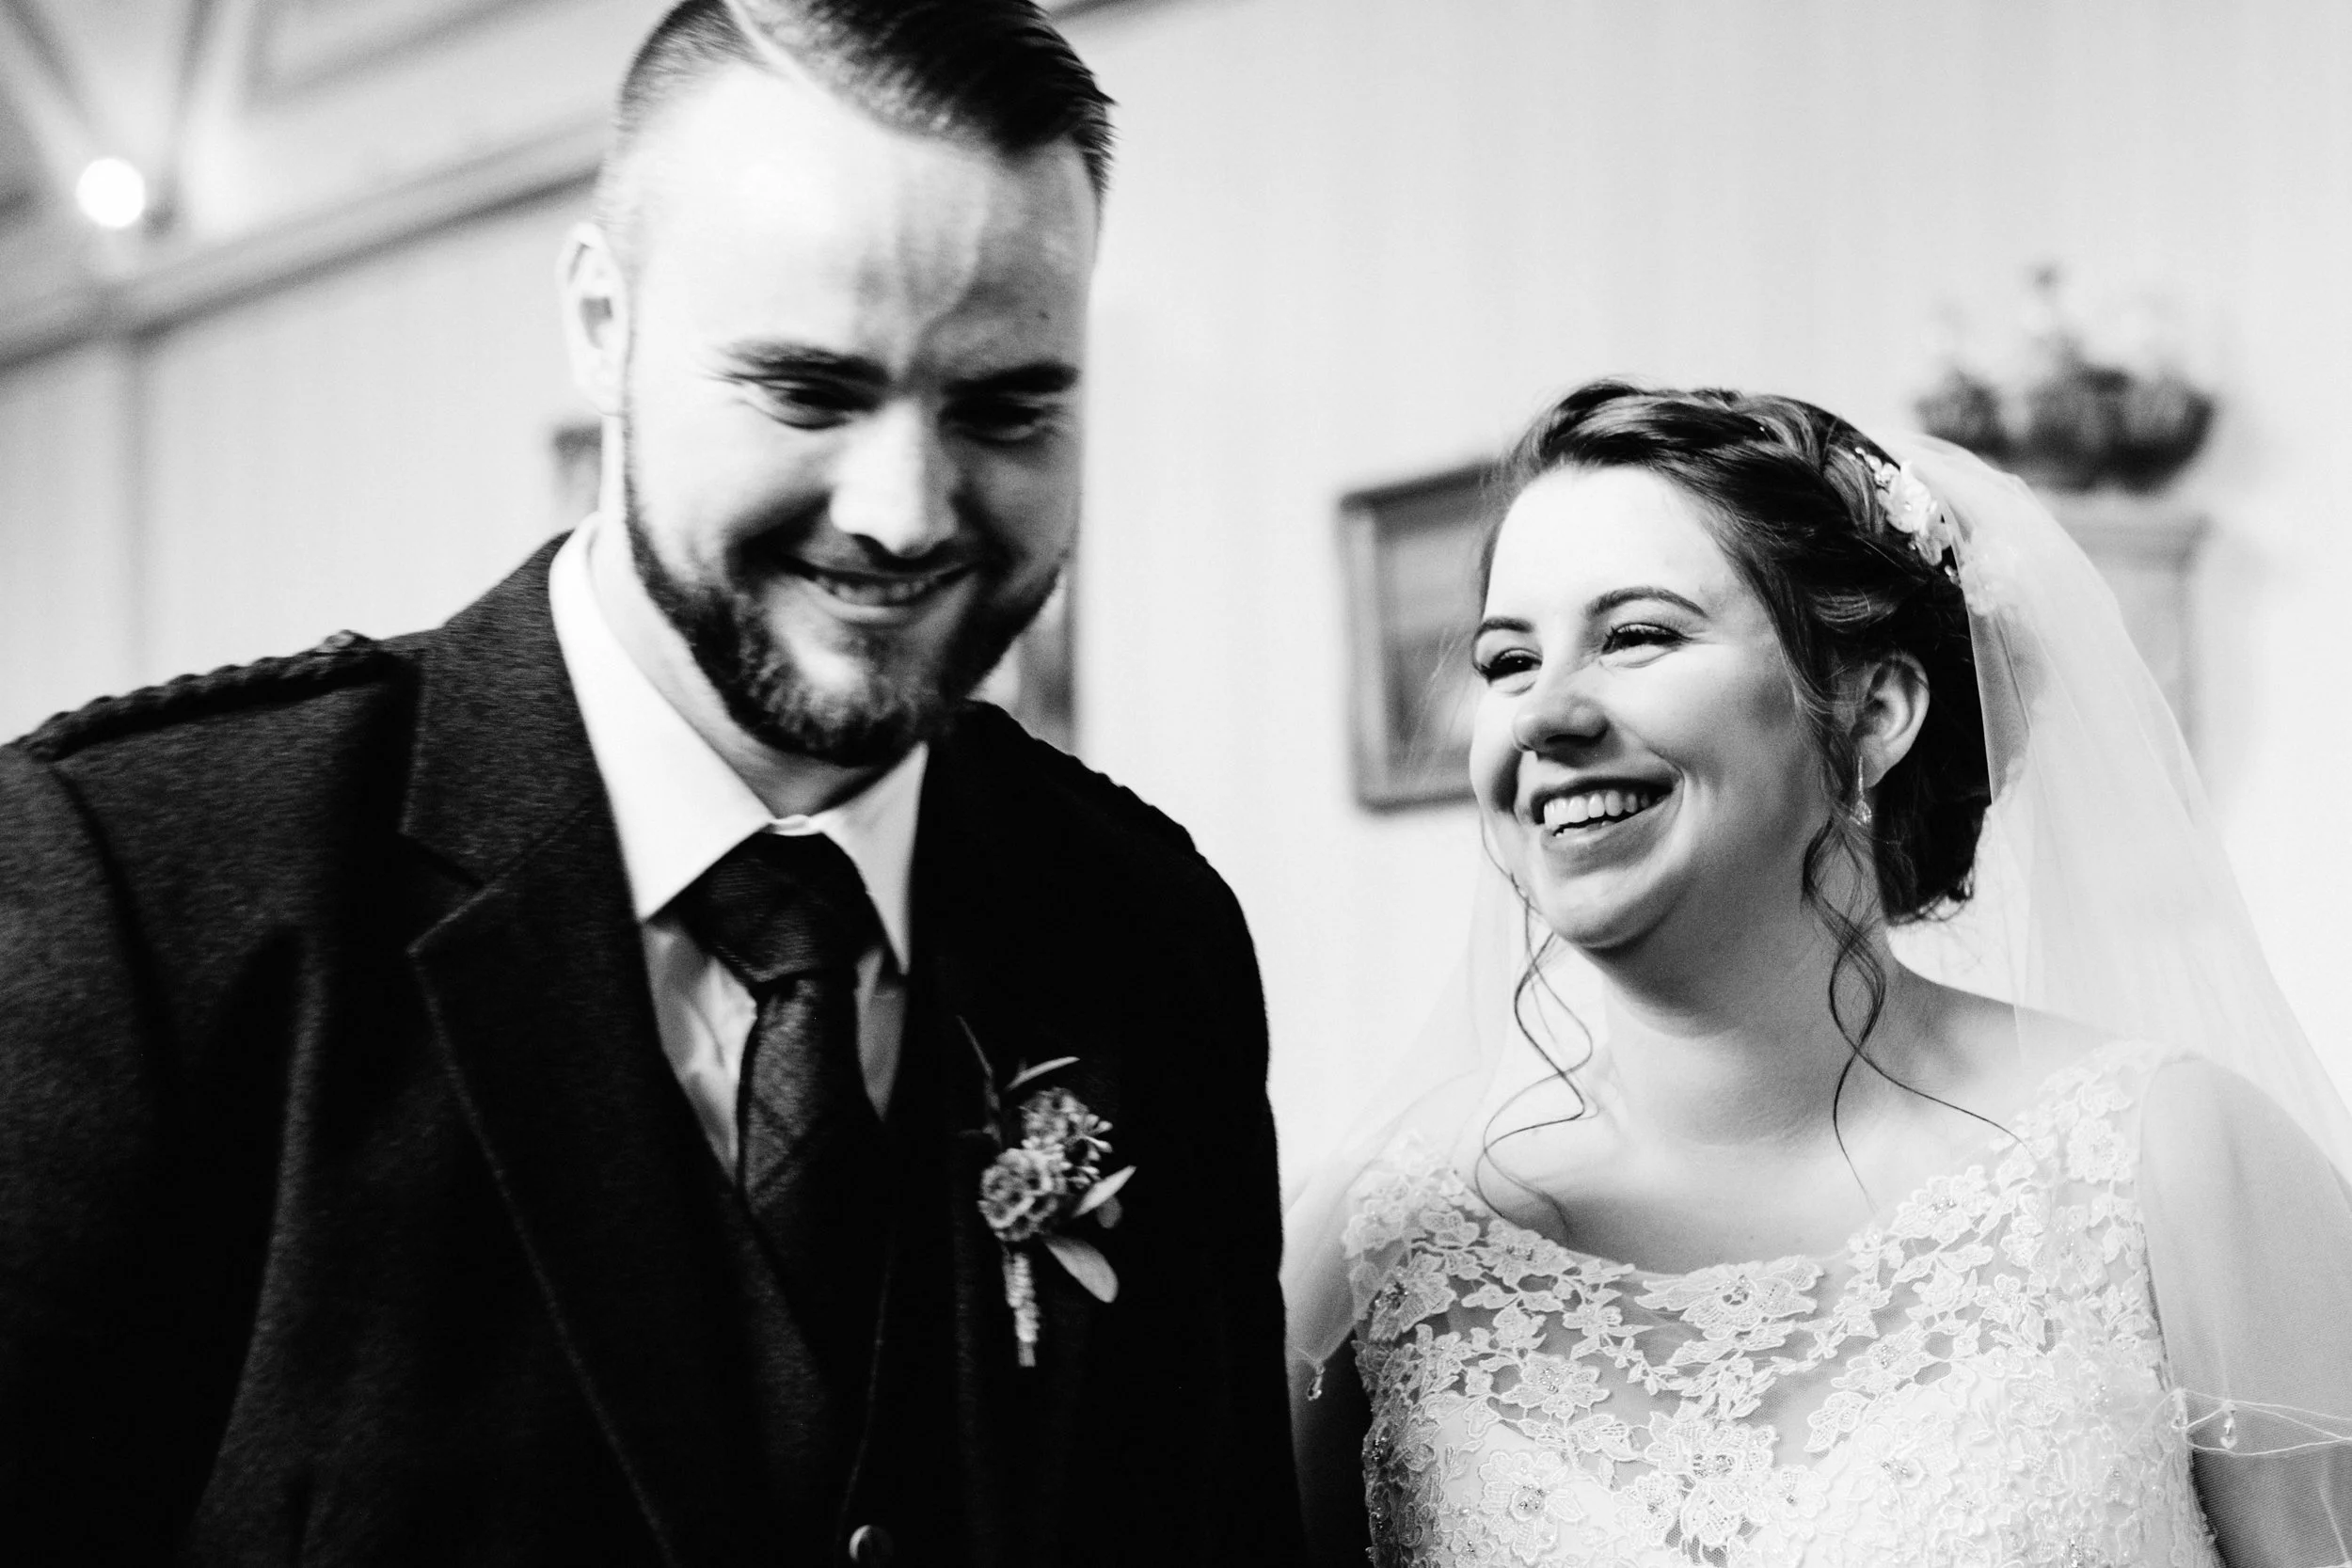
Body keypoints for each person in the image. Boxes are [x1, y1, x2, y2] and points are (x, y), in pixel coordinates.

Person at [0, 2, 1301, 1563]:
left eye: (1006, 407)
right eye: (810, 391)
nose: (901, 513)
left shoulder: (1148, 935)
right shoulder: (136, 888)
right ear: (602, 321)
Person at [1285, 380, 2352, 1566]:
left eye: (1636, 634)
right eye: (1505, 659)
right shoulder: (1380, 1248)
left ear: (1875, 706)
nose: (1546, 716)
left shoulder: (2170, 1159)